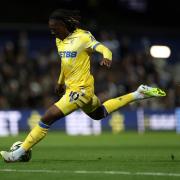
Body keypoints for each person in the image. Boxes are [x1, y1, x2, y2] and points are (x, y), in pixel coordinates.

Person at [0, 9, 166, 162]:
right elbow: (65, 64)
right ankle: (138, 94)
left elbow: (104, 48)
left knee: (47, 117)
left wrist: (107, 56)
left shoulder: (83, 37)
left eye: (54, 27)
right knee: (99, 113)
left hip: (81, 90)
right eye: (50, 27)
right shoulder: (59, 41)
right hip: (72, 89)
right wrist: (60, 82)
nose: (52, 30)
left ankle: (17, 153)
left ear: (64, 25)